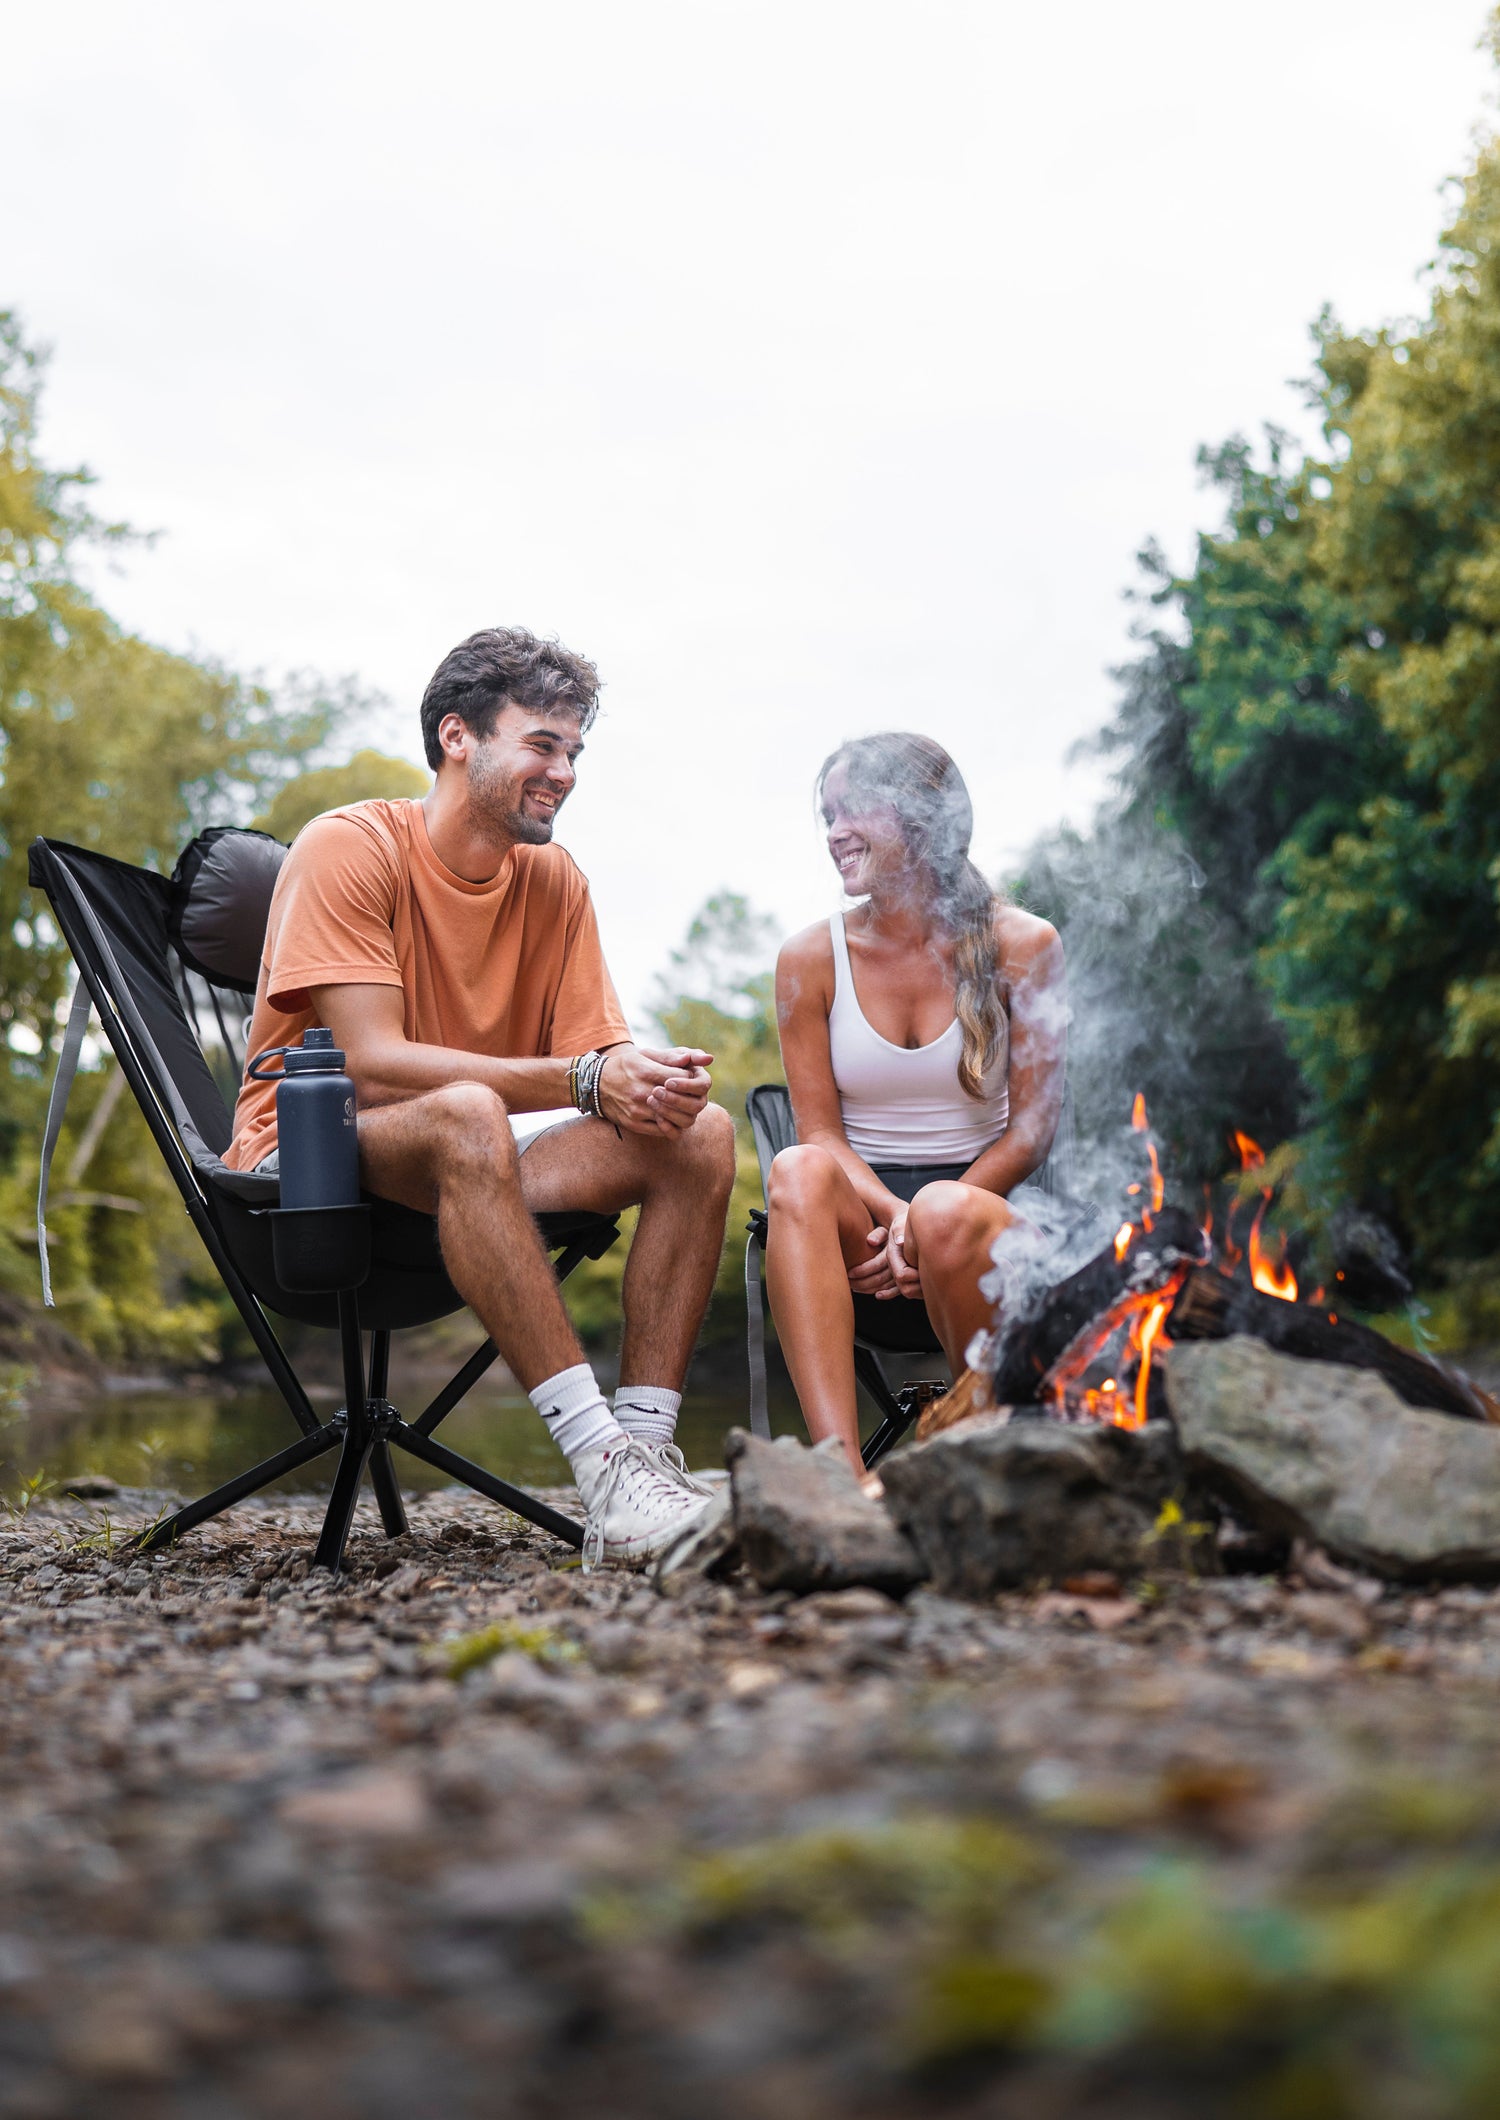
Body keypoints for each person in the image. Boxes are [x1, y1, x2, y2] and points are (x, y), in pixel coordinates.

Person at [225, 626, 736, 1567]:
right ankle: (597, 1462)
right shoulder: (349, 847)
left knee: (699, 1133)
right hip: (311, 1157)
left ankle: (645, 1464)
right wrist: (586, 1079)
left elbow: (596, 1057)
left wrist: (645, 1079)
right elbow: (369, 1066)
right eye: (542, 743)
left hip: (479, 1159)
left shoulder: (555, 881)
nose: (565, 771)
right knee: (466, 1113)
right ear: (457, 736)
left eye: (575, 751)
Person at [766, 732, 1066, 1472]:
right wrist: (898, 1223)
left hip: (982, 1235)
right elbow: (821, 1135)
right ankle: (841, 1476)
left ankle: (985, 1451)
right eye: (826, 815)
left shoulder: (1024, 945)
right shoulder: (809, 958)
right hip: (861, 1247)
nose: (834, 833)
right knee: (797, 1169)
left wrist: (931, 1220)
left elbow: (1031, 1132)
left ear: (924, 818)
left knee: (945, 1211)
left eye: (853, 811)